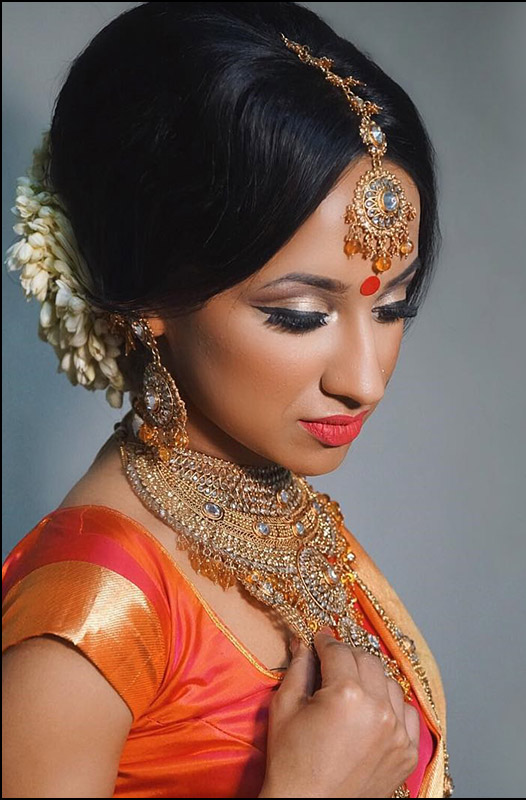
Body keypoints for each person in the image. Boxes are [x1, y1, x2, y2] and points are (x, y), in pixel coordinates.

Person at [2, 3, 452, 797]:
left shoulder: (282, 517)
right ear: (150, 297)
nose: (365, 379)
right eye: (300, 315)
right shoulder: (92, 609)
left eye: (393, 307)